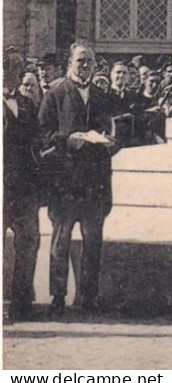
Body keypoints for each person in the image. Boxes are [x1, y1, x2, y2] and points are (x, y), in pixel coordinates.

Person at [38, 40, 116, 315]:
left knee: (92, 241)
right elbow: (43, 135)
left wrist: (110, 142)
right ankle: (58, 297)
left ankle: (88, 297)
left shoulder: (102, 95)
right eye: (80, 61)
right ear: (70, 63)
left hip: (95, 183)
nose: (85, 66)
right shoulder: (55, 93)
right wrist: (67, 141)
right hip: (65, 183)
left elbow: (111, 131)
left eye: (90, 62)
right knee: (61, 239)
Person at [3, 53, 42, 322]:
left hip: (23, 187)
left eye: (17, 67)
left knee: (29, 240)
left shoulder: (27, 104)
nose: (12, 71)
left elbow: (35, 144)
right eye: (7, 66)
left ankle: (21, 301)